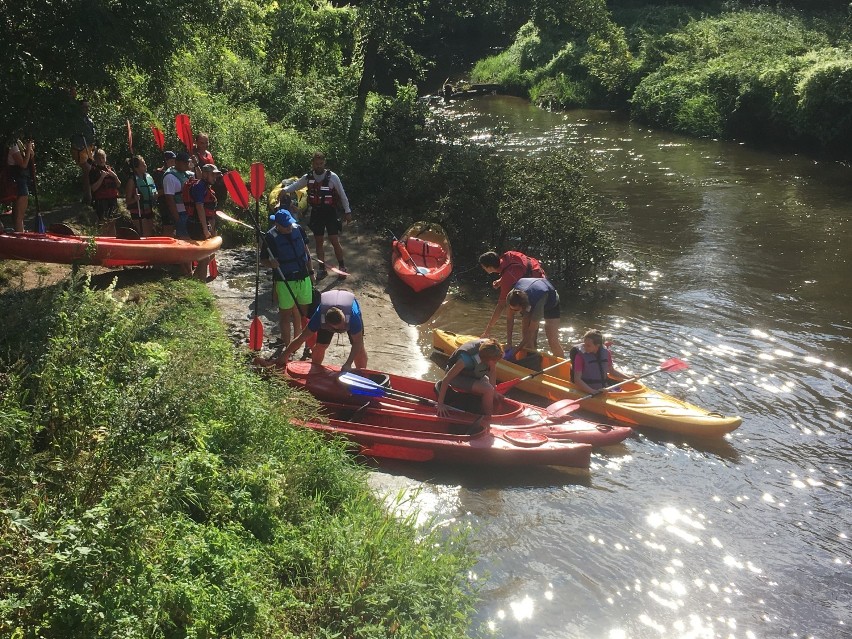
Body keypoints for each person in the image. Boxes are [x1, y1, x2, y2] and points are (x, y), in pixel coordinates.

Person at [282, 151, 352, 281]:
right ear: (312, 164)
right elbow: (295, 186)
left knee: (334, 240)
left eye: (321, 163)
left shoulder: (333, 177)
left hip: (330, 212)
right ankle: (322, 269)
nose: (319, 166)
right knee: (319, 242)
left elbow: (342, 194)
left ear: (324, 163)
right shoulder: (308, 177)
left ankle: (342, 267)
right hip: (317, 213)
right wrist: (284, 190)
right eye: (316, 164)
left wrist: (347, 211)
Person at [260, 206, 315, 348]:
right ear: (277, 225)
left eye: (290, 223)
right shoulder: (270, 237)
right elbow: (263, 260)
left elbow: (306, 251)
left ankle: (305, 344)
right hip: (285, 280)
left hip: (303, 277)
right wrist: (271, 264)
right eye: (285, 226)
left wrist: (311, 271)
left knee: (304, 313)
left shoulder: (298, 229)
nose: (289, 227)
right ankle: (288, 346)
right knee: (285, 315)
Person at [280, 289, 366, 370]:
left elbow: (357, 343)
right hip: (328, 319)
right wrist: (285, 354)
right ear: (327, 323)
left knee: (360, 349)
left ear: (344, 319)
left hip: (349, 315)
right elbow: (302, 337)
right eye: (334, 328)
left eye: (341, 327)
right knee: (320, 346)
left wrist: (348, 363)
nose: (339, 330)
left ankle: (362, 373)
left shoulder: (353, 317)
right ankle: (315, 370)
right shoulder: (319, 317)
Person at [479, 250, 546, 346]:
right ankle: (522, 346)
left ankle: (529, 351)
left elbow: (500, 306)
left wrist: (488, 330)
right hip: (540, 280)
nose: (483, 268)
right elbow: (515, 270)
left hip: (537, 292)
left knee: (526, 328)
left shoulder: (508, 278)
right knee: (513, 309)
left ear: (489, 267)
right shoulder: (507, 256)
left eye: (483, 266)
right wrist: (500, 281)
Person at [435, 338, 504, 419]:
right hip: (457, 377)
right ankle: (488, 418)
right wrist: (440, 404)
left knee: (490, 387)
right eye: (494, 361)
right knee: (488, 389)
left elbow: (492, 371)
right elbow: (446, 379)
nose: (495, 363)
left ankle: (483, 408)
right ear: (485, 359)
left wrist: (495, 392)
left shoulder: (490, 348)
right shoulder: (466, 360)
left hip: (472, 373)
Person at [505, 277, 565, 358]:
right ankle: (531, 358)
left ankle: (564, 367)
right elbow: (509, 319)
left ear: (523, 306)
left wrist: (516, 350)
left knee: (552, 340)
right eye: (513, 309)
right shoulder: (511, 296)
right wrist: (509, 343)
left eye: (517, 310)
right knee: (527, 337)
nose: (514, 312)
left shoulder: (537, 304)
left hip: (550, 303)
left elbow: (531, 332)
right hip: (529, 299)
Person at [184, 163, 220, 280]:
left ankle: (194, 280)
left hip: (203, 224)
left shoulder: (206, 186)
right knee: (205, 256)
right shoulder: (199, 187)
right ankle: (202, 285)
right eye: (212, 175)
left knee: (211, 254)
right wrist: (205, 229)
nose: (215, 177)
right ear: (205, 174)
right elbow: (199, 208)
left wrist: (210, 227)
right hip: (196, 225)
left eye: (216, 175)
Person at [571, 330, 631, 395]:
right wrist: (593, 391)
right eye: (584, 344)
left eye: (588, 345)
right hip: (588, 389)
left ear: (597, 345)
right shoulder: (579, 357)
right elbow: (577, 380)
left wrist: (629, 378)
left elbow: (612, 371)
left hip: (603, 389)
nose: (585, 347)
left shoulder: (606, 353)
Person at [70, 99, 96, 204]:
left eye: (88, 107)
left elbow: (92, 135)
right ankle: (88, 197)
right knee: (87, 170)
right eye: (84, 107)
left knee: (91, 171)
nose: (87, 109)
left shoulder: (89, 121)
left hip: (89, 148)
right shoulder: (76, 120)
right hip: (79, 148)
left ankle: (90, 195)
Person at [5, 135, 34, 232]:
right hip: (18, 181)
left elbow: (30, 156)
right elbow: (23, 164)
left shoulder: (19, 143)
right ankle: (19, 234)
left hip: (22, 180)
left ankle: (19, 231)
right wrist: (29, 148)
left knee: (19, 214)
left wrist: (29, 150)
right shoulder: (13, 144)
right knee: (19, 215)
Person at [88, 148, 120, 235]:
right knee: (104, 223)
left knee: (113, 222)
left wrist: (115, 176)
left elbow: (118, 184)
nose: (101, 160)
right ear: (95, 159)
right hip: (101, 201)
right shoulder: (93, 171)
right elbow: (93, 188)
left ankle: (114, 242)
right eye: (98, 158)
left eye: (102, 157)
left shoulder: (111, 169)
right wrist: (102, 177)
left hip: (112, 200)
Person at [124, 155, 157, 237]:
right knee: (146, 234)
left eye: (145, 163)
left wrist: (155, 194)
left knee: (151, 234)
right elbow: (127, 201)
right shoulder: (132, 180)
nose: (145, 165)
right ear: (136, 168)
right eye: (142, 164)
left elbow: (154, 190)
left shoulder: (149, 177)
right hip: (138, 211)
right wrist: (135, 199)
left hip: (149, 210)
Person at [162, 151, 193, 239]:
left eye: (188, 162)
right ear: (177, 162)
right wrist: (178, 219)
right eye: (185, 162)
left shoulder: (187, 174)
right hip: (180, 213)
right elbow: (169, 200)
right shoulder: (169, 177)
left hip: (189, 212)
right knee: (183, 238)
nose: (187, 164)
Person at [153, 151, 176, 235]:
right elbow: (158, 192)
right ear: (166, 161)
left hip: (174, 203)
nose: (174, 163)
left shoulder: (175, 172)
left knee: (173, 227)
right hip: (165, 204)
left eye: (174, 161)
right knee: (168, 227)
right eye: (171, 161)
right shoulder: (159, 173)